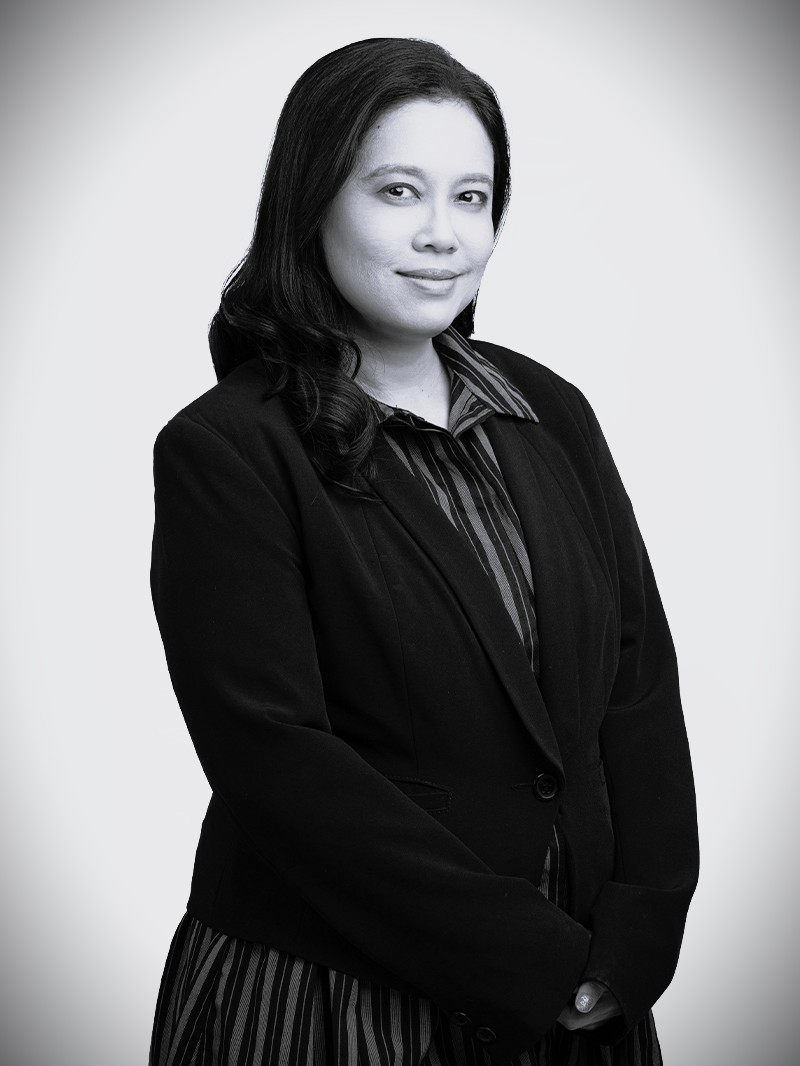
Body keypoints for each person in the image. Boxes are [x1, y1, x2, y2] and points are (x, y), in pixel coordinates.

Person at [148, 37, 699, 1066]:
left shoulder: (550, 410)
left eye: (471, 198)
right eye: (397, 192)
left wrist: (640, 931)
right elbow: (275, 760)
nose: (443, 234)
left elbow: (636, 681)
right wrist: (532, 960)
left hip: (585, 991)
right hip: (332, 997)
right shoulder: (226, 448)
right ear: (312, 203)